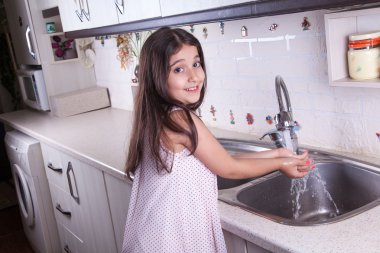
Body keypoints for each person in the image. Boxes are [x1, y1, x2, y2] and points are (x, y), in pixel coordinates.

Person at [122, 27, 313, 253]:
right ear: (157, 77)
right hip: (171, 240)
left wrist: (276, 154)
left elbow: (218, 159)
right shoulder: (181, 119)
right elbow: (229, 168)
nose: (194, 76)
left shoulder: (156, 116)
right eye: (179, 69)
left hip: (154, 236)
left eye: (196, 63)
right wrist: (281, 164)